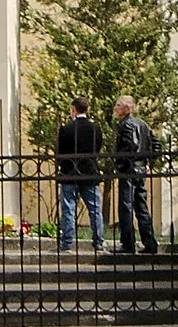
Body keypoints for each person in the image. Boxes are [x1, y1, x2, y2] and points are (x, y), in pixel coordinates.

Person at [111, 94, 160, 255]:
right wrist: (149, 164)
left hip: (129, 170)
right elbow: (156, 144)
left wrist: (121, 166)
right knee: (141, 207)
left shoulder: (127, 125)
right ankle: (150, 243)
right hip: (140, 169)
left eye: (118, 105)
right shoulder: (142, 124)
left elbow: (129, 147)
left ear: (126, 108)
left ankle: (128, 243)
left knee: (126, 207)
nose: (115, 108)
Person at [55, 98, 106, 251]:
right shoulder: (95, 128)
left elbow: (60, 153)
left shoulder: (66, 129)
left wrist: (64, 166)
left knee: (69, 209)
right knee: (95, 209)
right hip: (89, 173)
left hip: (70, 172)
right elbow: (97, 149)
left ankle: (67, 242)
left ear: (73, 109)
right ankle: (98, 242)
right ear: (87, 109)